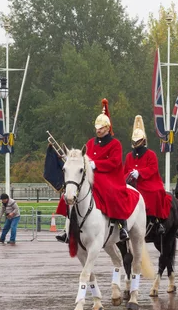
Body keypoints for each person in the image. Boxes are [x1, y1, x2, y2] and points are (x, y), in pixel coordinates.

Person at [55, 98, 139, 243]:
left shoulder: (115, 144)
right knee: (71, 191)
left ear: (107, 128)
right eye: (97, 127)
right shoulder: (89, 143)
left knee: (112, 192)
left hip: (109, 176)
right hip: (91, 175)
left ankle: (122, 224)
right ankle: (68, 228)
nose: (98, 130)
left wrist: (96, 164)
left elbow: (114, 162)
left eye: (101, 128)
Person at [124, 115, 172, 235]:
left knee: (154, 192)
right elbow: (125, 170)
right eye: (134, 141)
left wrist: (140, 173)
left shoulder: (151, 154)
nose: (136, 144)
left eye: (138, 141)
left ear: (143, 141)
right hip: (132, 183)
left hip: (148, 181)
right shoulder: (129, 156)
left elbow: (153, 168)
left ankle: (156, 220)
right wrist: (129, 176)